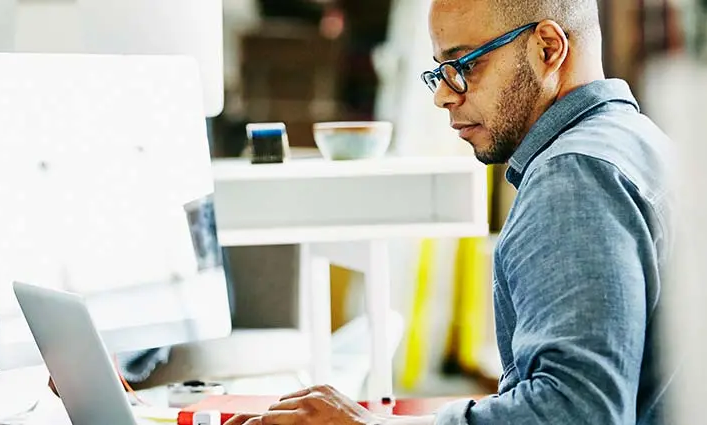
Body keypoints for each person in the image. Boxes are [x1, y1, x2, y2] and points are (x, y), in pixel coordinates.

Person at [224, 0, 673, 424]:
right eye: (440, 71)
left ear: (547, 48)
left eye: (464, 66)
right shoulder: (635, 141)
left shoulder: (572, 179)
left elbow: (575, 413)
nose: (443, 95)